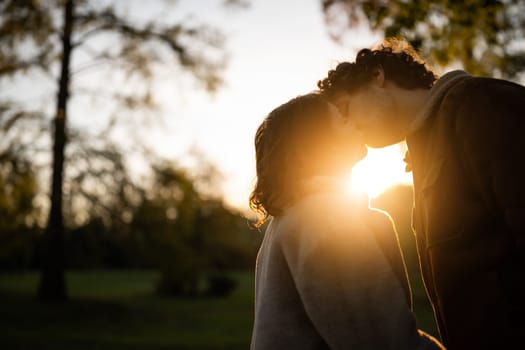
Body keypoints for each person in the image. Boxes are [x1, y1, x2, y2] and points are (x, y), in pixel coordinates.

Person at [317, 38, 525, 349]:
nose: (350, 128)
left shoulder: (481, 103)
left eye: (347, 109)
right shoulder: (425, 152)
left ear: (377, 76)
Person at [248, 92, 444, 349]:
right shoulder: (322, 216)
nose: (353, 120)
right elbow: (379, 338)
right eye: (341, 116)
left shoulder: (290, 218)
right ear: (318, 139)